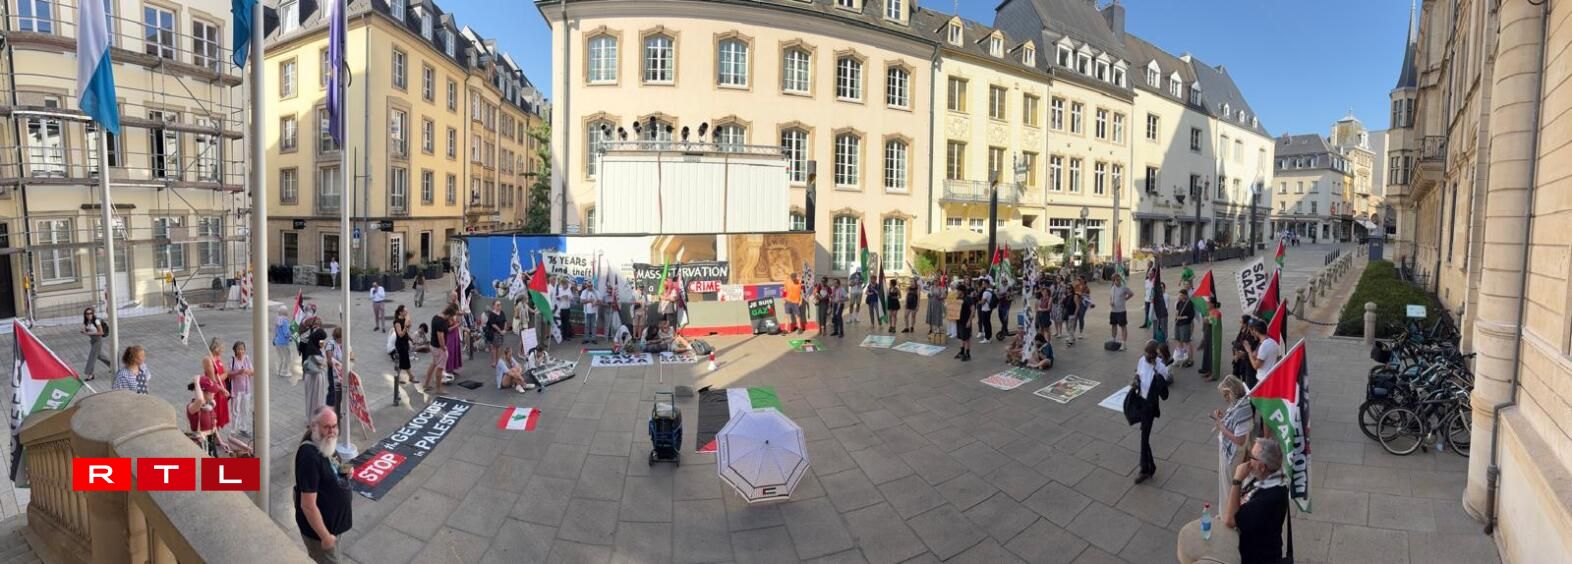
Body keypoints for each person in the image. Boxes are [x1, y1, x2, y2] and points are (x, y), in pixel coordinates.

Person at [295, 406, 353, 563]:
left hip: (333, 527)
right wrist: (325, 537)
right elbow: (307, 505)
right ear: (314, 426)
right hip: (320, 534)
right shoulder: (309, 457)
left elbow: (334, 464)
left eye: (334, 426)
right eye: (327, 426)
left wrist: (346, 470)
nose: (332, 431)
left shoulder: (324, 441)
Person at [1225, 439, 1289, 564]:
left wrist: (1237, 480)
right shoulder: (1271, 478)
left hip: (1258, 557)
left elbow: (1230, 520)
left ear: (1262, 467)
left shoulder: (1267, 499)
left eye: (1251, 457)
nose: (1248, 461)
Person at [1134, 340, 1172, 483]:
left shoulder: (1161, 367)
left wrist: (1157, 372)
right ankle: (1151, 466)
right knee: (1144, 436)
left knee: (1144, 437)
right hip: (1141, 401)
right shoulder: (1141, 361)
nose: (1145, 356)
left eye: (1149, 354)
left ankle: (1144, 469)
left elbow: (1164, 391)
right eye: (1145, 352)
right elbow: (1138, 373)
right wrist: (1136, 379)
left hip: (1150, 405)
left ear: (1154, 355)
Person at [1213, 375, 1255, 507]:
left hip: (1233, 454)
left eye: (1225, 395)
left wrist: (1221, 427)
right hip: (1229, 450)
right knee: (1225, 484)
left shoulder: (1243, 408)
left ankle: (1227, 514)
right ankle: (1225, 512)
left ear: (1231, 392)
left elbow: (1240, 440)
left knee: (1228, 486)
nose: (1225, 399)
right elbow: (1235, 423)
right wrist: (1223, 417)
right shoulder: (1239, 403)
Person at [300, 318, 329, 421]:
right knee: (316, 398)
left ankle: (311, 417)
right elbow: (322, 363)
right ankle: (315, 418)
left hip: (309, 375)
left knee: (310, 398)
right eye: (321, 340)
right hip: (316, 377)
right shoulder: (315, 350)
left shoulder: (309, 342)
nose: (323, 343)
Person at [424, 305, 455, 394]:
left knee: (433, 364)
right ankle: (438, 389)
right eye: (452, 316)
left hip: (433, 345)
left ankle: (426, 384)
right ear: (449, 315)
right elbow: (440, 336)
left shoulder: (436, 317)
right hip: (439, 348)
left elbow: (447, 327)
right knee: (440, 368)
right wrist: (444, 348)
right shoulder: (441, 322)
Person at [202, 338, 231, 432]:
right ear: (216, 348)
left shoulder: (218, 358)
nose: (223, 349)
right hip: (214, 391)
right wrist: (225, 376)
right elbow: (213, 380)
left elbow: (226, 372)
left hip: (221, 388)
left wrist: (224, 375)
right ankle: (212, 435)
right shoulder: (208, 360)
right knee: (214, 413)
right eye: (222, 347)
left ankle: (216, 435)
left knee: (219, 413)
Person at [1245, 319, 1281, 384]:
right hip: (1271, 377)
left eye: (1253, 331)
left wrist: (1249, 351)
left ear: (1257, 331)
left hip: (1263, 380)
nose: (1252, 333)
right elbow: (1278, 358)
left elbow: (1256, 366)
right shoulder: (1273, 342)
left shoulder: (1264, 346)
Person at [229, 342, 254, 436]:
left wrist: (248, 371)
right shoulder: (232, 360)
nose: (241, 351)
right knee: (235, 411)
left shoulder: (247, 358)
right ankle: (233, 431)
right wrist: (238, 372)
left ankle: (243, 428)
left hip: (246, 389)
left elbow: (253, 372)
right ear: (235, 350)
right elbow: (229, 374)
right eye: (238, 349)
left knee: (245, 409)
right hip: (236, 390)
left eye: (242, 349)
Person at [80, 307, 110, 380]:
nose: (89, 315)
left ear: (93, 314)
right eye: (87, 313)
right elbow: (83, 328)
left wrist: (88, 332)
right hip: (92, 341)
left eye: (90, 313)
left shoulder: (96, 321)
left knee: (92, 357)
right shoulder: (87, 322)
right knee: (100, 356)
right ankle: (113, 365)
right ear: (85, 315)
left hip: (97, 341)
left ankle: (90, 374)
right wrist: (83, 330)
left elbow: (101, 332)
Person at [1199, 296, 1223, 381]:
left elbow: (1216, 324)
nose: (1207, 304)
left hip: (1213, 337)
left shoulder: (1217, 313)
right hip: (1208, 335)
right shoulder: (1210, 312)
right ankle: (1208, 370)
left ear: (1212, 304)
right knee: (1207, 353)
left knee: (1213, 354)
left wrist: (1208, 320)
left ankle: (1214, 374)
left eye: (1208, 303)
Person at [1108, 274, 1134, 350]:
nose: (1118, 281)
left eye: (1119, 280)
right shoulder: (1112, 288)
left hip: (1121, 311)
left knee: (1123, 327)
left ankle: (1124, 343)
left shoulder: (1124, 288)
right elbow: (1111, 297)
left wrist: (1125, 299)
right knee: (1113, 325)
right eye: (1116, 280)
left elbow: (1131, 294)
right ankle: (1113, 339)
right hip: (1113, 311)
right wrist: (1111, 302)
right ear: (1114, 281)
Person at [1173, 288, 1195, 367]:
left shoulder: (1189, 303)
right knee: (1179, 340)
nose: (1180, 296)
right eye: (1179, 295)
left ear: (1185, 295)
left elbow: (1191, 316)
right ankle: (1181, 357)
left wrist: (1182, 318)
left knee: (1187, 341)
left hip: (1185, 324)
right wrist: (1176, 316)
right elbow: (1177, 311)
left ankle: (1191, 359)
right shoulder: (1179, 303)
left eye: (1181, 295)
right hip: (1178, 324)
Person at [954, 282, 975, 362]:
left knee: (967, 338)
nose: (957, 291)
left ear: (962, 291)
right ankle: (962, 352)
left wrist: (969, 321)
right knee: (961, 337)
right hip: (959, 321)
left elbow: (972, 310)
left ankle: (968, 353)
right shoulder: (958, 298)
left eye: (958, 290)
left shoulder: (968, 298)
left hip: (966, 321)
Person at [392, 306, 413, 384]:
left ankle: (399, 377)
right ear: (400, 312)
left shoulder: (404, 319)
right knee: (404, 361)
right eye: (405, 311)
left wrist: (411, 339)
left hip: (405, 343)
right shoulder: (397, 322)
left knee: (402, 361)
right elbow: (400, 334)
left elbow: (407, 331)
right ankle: (411, 376)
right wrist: (406, 327)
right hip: (400, 344)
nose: (406, 312)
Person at [274, 307, 295, 379]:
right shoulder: (285, 321)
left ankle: (279, 371)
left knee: (280, 357)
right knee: (287, 357)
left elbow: (276, 332)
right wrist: (291, 334)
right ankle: (284, 371)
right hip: (284, 342)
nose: (288, 312)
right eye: (286, 311)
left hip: (277, 342)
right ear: (284, 312)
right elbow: (286, 333)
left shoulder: (277, 320)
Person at [1151, 282, 1170, 347]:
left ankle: (1165, 339)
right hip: (1156, 314)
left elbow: (1166, 306)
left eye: (1162, 287)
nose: (1161, 289)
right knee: (1155, 327)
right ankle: (1155, 339)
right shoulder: (1156, 295)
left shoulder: (1166, 296)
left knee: (1164, 327)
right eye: (1160, 287)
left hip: (1163, 314)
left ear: (1164, 288)